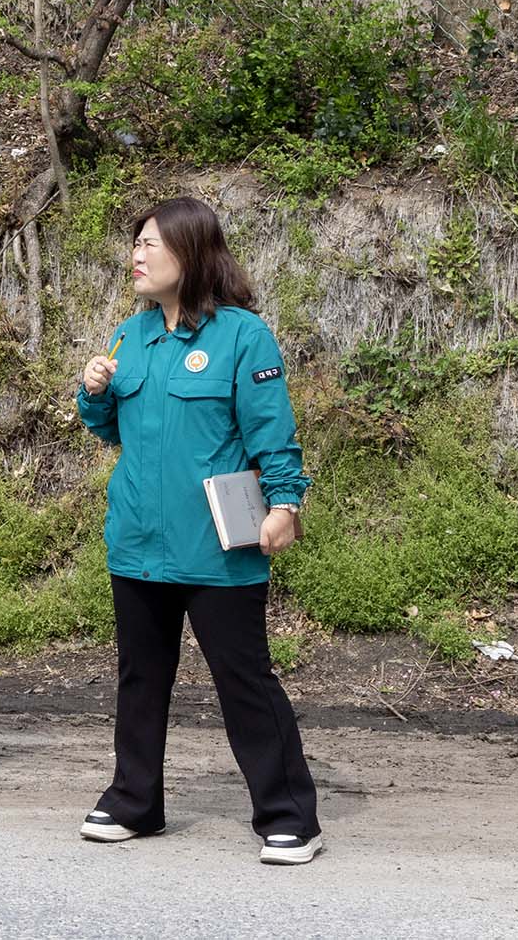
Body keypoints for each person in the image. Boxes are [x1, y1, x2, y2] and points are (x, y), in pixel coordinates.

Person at [76, 196, 321, 866]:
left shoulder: (243, 336)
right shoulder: (131, 335)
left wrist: (284, 504)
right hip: (138, 541)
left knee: (244, 680)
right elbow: (110, 429)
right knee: (140, 678)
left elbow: (272, 433)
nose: (137, 255)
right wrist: (94, 391)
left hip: (217, 546)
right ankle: (135, 801)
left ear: (191, 252)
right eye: (135, 243)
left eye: (150, 244)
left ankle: (290, 815)